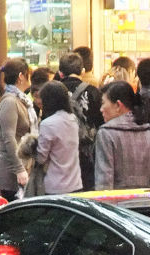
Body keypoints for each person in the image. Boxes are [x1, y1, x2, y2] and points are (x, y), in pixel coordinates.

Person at [94, 80, 150, 190]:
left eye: (103, 103)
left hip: (118, 204)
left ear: (118, 105)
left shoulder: (106, 133)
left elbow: (103, 184)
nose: (101, 109)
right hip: (146, 202)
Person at [57, 51, 104, 191]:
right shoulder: (93, 92)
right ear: (82, 71)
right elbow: (100, 122)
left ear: (60, 73)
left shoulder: (53, 91)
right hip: (87, 151)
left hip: (60, 151)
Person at [0, 58, 36, 201]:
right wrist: (19, 169)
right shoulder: (10, 101)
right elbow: (8, 138)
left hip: (21, 166)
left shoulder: (21, 100)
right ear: (21, 76)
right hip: (10, 170)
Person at [34, 80, 82, 194]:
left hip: (55, 185)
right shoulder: (73, 119)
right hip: (75, 183)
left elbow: (41, 158)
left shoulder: (47, 124)